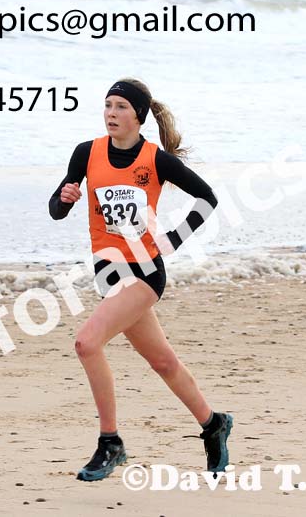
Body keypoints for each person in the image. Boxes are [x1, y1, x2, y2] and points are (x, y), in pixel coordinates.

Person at [48, 77, 233, 482]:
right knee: (163, 361)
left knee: (86, 342)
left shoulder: (156, 160)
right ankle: (213, 422)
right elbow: (57, 209)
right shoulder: (86, 153)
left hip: (146, 271)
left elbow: (207, 198)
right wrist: (63, 199)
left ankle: (110, 442)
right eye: (108, 105)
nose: (111, 114)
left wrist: (175, 239)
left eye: (120, 108)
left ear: (138, 117)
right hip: (108, 273)